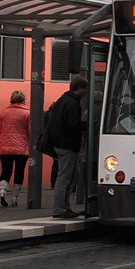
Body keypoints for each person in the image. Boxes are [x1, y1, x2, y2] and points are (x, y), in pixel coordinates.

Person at [48, 76, 88, 219]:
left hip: (63, 144)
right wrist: (87, 125)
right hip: (68, 145)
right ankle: (59, 208)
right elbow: (73, 125)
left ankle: (64, 206)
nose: (86, 92)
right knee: (65, 177)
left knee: (72, 175)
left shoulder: (63, 100)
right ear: (80, 88)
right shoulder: (72, 103)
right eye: (85, 89)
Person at [0, 90, 31, 207]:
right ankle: (15, 197)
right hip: (21, 148)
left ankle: (2, 190)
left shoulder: (4, 112)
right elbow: (30, 131)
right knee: (19, 171)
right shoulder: (27, 113)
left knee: (6, 170)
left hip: (5, 147)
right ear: (23, 100)